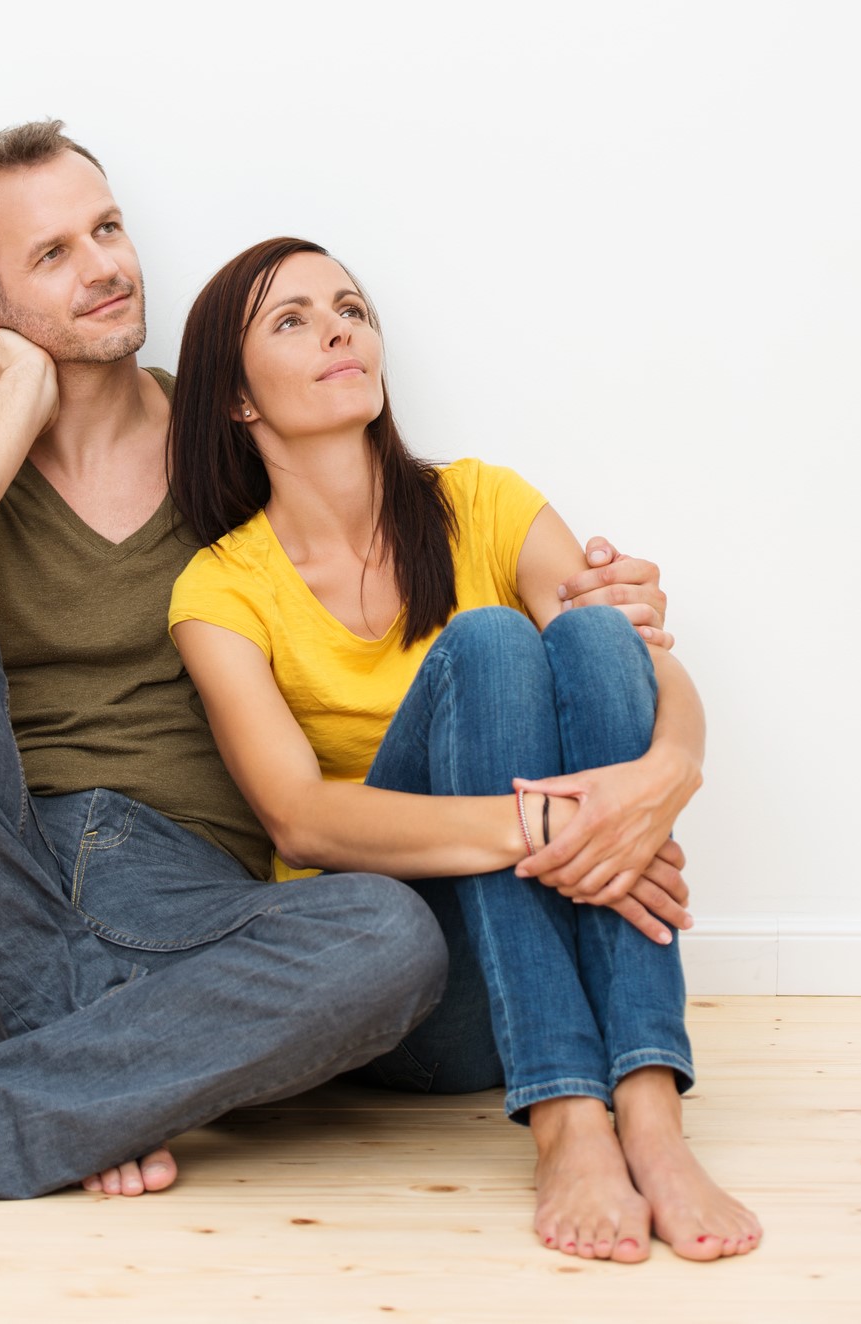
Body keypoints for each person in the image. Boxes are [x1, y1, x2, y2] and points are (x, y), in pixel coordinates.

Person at [0, 123, 671, 1204]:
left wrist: (612, 637)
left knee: (386, 933)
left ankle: (7, 1102)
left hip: (185, 912)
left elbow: (380, 517)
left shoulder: (229, 440)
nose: (105, 267)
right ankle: (77, 1069)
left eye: (108, 228)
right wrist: (22, 393)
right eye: (51, 256)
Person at [166, 237, 763, 1261]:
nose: (339, 328)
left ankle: (649, 1109)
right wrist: (558, 822)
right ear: (236, 399)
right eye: (293, 319)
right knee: (488, 639)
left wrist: (667, 777)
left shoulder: (484, 501)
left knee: (587, 628)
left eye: (350, 306)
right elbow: (298, 816)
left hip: (551, 966)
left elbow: (635, 659)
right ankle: (568, 1117)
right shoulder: (219, 589)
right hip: (410, 989)